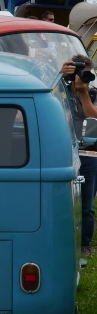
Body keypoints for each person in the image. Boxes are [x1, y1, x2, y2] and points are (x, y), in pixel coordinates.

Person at [63, 55, 97, 259]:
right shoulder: (59, 90)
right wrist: (59, 75)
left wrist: (84, 93)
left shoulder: (92, 93)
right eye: (80, 72)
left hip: (88, 152)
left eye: (87, 73)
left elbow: (94, 117)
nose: (83, 78)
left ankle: (84, 243)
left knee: (87, 204)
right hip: (64, 150)